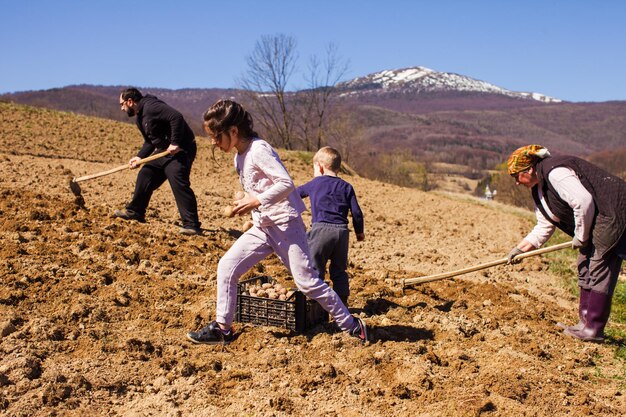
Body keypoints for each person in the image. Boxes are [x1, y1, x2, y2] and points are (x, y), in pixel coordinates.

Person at [186, 99, 367, 345]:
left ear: (233, 131)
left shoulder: (259, 150)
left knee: (307, 283)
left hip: (285, 225)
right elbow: (257, 189)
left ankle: (352, 325)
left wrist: (255, 201)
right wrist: (248, 206)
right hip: (264, 226)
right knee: (227, 266)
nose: (213, 143)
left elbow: (285, 183)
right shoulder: (239, 157)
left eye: (216, 136)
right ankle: (223, 328)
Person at [505, 144, 626, 342]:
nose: (516, 183)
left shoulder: (555, 172)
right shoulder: (539, 191)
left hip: (613, 215)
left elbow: (583, 201)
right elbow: (544, 225)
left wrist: (581, 235)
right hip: (597, 222)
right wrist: (520, 249)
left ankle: (593, 329)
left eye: (516, 176)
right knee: (583, 264)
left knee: (598, 265)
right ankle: (584, 324)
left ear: (529, 170)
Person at [115, 87, 201, 235]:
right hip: (163, 151)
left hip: (181, 149)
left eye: (122, 104)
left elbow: (176, 117)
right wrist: (140, 157)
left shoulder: (151, 106)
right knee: (146, 174)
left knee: (177, 181)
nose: (122, 108)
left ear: (130, 101)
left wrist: (175, 142)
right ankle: (135, 211)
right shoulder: (140, 118)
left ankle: (192, 225)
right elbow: (150, 141)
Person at [297, 146, 365, 307]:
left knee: (315, 268)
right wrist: (359, 232)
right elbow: (357, 213)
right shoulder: (347, 187)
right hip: (342, 233)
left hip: (321, 231)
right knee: (339, 270)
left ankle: (315, 305)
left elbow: (295, 194)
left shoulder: (315, 183)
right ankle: (342, 305)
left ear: (320, 166)